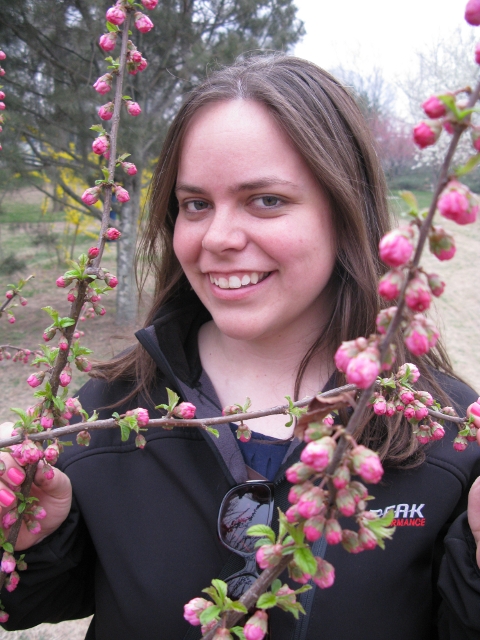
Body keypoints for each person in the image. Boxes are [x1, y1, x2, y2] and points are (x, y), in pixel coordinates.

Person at [0, 55, 479, 640]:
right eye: (196, 204)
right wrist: (35, 539)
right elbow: (32, 602)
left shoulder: (443, 433)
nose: (219, 238)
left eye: (266, 200)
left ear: (344, 212)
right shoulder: (105, 414)